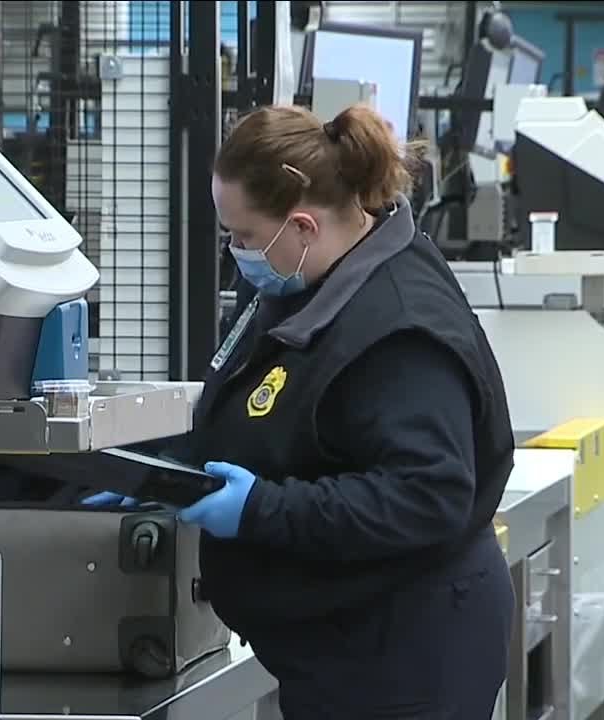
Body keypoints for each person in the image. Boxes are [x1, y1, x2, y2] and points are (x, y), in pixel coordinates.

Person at [87, 103, 516, 719]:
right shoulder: (304, 283)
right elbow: (273, 407)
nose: (237, 251)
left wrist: (261, 509)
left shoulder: (398, 328)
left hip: (406, 655)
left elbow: (428, 494)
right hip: (340, 644)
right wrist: (170, 467)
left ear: (304, 226)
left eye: (245, 237)